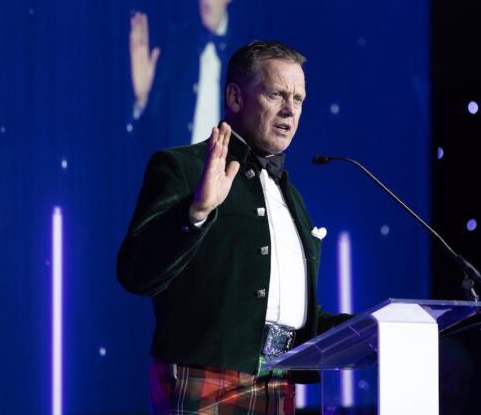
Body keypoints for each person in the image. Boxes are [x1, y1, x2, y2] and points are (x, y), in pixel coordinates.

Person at [117, 40, 351, 415]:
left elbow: (296, 314)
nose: (291, 110)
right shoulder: (183, 168)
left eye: (299, 99)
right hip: (207, 379)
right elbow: (136, 274)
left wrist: (373, 332)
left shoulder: (292, 199)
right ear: (235, 97)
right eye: (277, 94)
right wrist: (196, 210)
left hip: (280, 384)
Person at [129, 0, 237, 152]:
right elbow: (153, 148)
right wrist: (142, 100)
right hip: (180, 186)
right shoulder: (177, 42)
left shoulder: (246, 55)